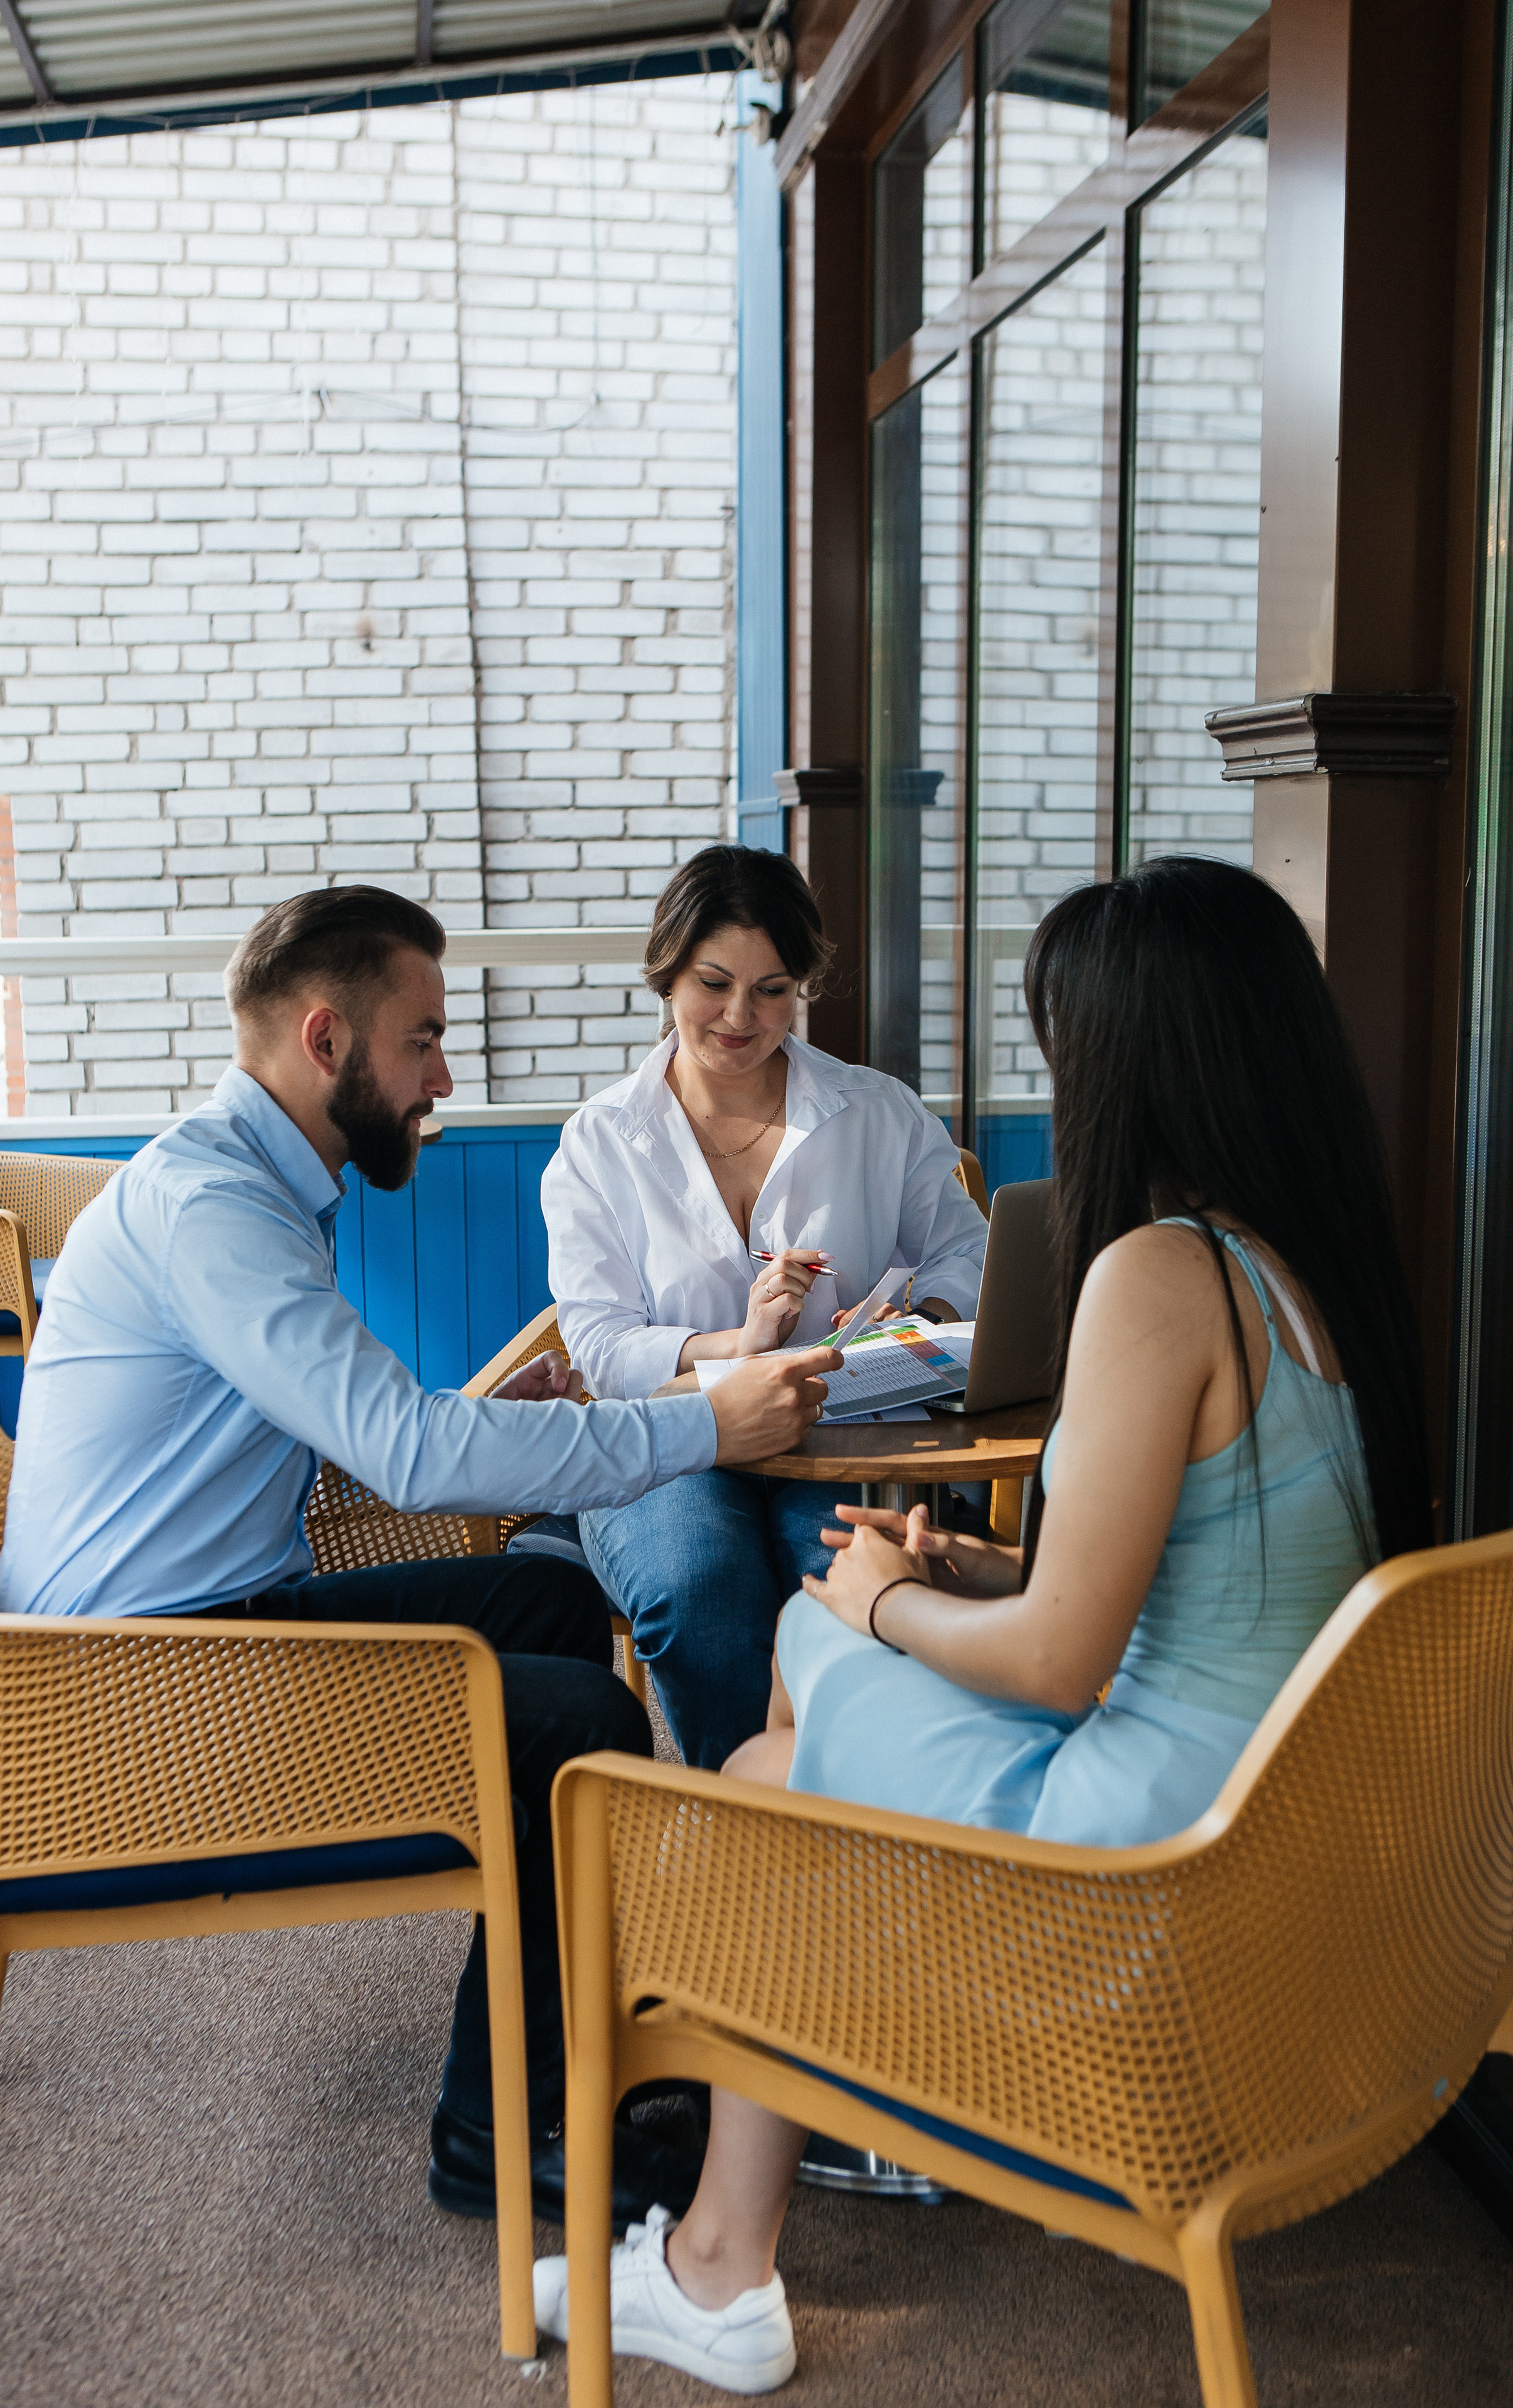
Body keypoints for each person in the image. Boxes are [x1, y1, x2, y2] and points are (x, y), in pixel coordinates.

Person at [531, 855, 1435, 2390]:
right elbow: (1181, 1584)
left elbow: (1059, 1660)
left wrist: (884, 1601)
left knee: (788, 1719)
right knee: (789, 1678)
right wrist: (953, 1577)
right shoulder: (1310, 1274)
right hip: (1273, 1820)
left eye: (1059, 1043)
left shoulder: (1157, 1277)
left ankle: (734, 2241)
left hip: (1159, 1851)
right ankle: (776, 2184)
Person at [0, 884, 836, 2237]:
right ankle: (502, 2134)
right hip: (127, 1700)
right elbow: (405, 1453)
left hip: (200, 1623)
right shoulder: (213, 1207)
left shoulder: (253, 1182)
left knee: (547, 1594)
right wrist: (699, 1423)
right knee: (576, 1725)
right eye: (423, 1041)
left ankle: (556, 2033)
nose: (444, 1076)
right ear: (327, 1039)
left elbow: (343, 1437)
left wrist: (504, 1428)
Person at [541, 844, 989, 1767]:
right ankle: (746, 1842)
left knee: (837, 1579)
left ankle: (851, 1829)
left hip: (834, 1436)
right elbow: (598, 1344)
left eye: (774, 990)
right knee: (701, 1586)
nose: (741, 1018)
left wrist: (922, 1316)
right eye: (713, 983)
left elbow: (967, 1251)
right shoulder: (601, 1141)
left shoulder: (879, 1113)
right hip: (664, 1448)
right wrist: (736, 1344)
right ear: (667, 971)